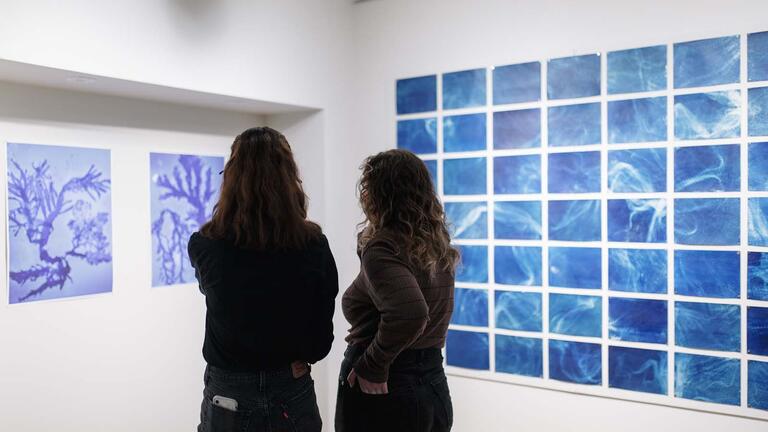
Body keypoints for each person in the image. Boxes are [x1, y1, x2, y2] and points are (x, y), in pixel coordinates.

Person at [189, 126, 338, 432]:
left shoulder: (205, 245)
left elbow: (215, 293)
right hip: (289, 386)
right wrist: (306, 354)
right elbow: (321, 331)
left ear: (231, 176)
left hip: (228, 393)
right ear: (289, 178)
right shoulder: (312, 245)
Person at [336, 149, 457, 432]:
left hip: (388, 385)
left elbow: (411, 313)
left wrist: (373, 364)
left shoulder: (383, 247)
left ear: (377, 194)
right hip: (432, 381)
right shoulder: (434, 244)